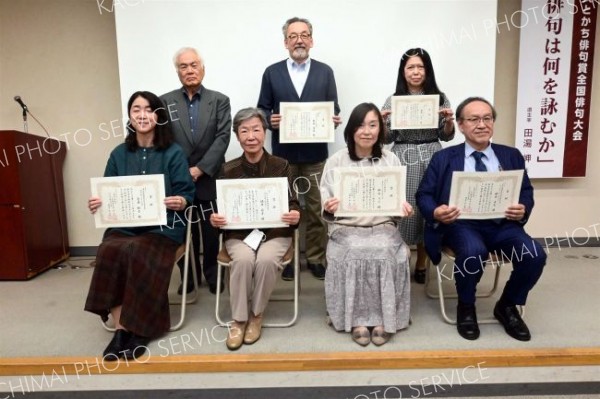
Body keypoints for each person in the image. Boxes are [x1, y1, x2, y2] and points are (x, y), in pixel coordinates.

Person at [415, 97, 546, 341]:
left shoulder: (511, 155)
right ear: (461, 125)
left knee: (534, 254)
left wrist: (523, 209)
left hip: (502, 224)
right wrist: (435, 212)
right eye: (474, 119)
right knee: (473, 250)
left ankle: (507, 305)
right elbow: (423, 195)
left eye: (487, 118)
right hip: (460, 224)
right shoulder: (443, 158)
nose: (481, 124)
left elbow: (525, 191)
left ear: (493, 123)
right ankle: (466, 306)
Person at [85, 91, 195, 359]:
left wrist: (180, 201)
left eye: (149, 109)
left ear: (158, 116)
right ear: (130, 116)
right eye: (136, 109)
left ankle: (141, 329)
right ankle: (123, 330)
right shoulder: (118, 153)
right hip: (123, 227)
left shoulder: (173, 152)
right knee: (109, 251)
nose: (143, 115)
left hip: (164, 228)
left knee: (139, 250)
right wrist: (98, 203)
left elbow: (187, 192)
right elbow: (107, 190)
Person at [320, 103, 413, 346]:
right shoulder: (336, 160)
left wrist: (403, 208)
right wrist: (329, 207)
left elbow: (397, 201)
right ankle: (357, 319)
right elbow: (325, 202)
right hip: (346, 227)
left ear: (380, 129)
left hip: (382, 225)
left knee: (384, 248)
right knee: (353, 250)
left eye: (373, 125)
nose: (367, 131)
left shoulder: (390, 159)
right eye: (360, 125)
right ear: (351, 130)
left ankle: (385, 318)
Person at [210, 108, 301, 351]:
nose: (251, 136)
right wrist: (216, 219)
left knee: (267, 260)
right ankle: (239, 320)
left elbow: (293, 202)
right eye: (244, 131)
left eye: (256, 130)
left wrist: (294, 214)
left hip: (275, 232)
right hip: (239, 234)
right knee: (242, 260)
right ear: (237, 136)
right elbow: (220, 208)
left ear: (264, 132)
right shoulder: (228, 169)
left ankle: (257, 315)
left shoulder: (280, 165)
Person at [257, 17, 341, 281]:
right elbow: (261, 109)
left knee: (317, 209)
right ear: (285, 42)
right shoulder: (272, 72)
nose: (299, 40)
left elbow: (334, 108)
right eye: (293, 36)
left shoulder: (325, 72)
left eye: (304, 35)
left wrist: (333, 118)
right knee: (285, 210)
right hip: (283, 157)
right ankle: (288, 256)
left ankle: (316, 257)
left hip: (316, 155)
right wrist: (268, 120)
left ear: (312, 40)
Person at [161, 47, 232, 295]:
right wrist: (183, 170)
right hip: (178, 179)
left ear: (202, 67)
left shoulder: (220, 100)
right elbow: (163, 140)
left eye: (194, 65)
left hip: (209, 176)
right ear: (177, 71)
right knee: (182, 231)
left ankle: (213, 275)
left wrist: (200, 169)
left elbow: (223, 137)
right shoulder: (164, 102)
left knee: (211, 231)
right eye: (183, 66)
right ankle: (188, 278)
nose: (189, 70)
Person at [381, 48, 455, 284]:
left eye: (420, 67)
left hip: (432, 154)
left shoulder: (439, 98)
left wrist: (449, 121)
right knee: (404, 209)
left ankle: (422, 261)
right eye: (410, 67)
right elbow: (386, 138)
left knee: (428, 210)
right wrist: (382, 122)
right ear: (403, 72)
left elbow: (447, 137)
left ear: (427, 70)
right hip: (403, 155)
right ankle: (401, 259)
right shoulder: (393, 100)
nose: (415, 72)